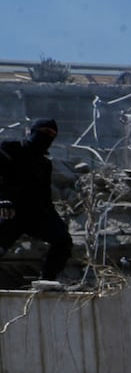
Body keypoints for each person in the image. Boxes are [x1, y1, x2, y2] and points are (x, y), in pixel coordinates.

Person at [0, 119, 73, 288]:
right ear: (31, 131)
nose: (47, 137)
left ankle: (48, 280)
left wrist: (56, 221)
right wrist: (2, 199)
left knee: (62, 240)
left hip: (33, 215)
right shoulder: (10, 149)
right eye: (44, 131)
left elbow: (45, 197)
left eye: (52, 135)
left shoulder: (44, 164)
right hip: (8, 212)